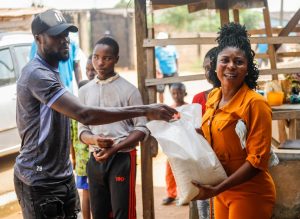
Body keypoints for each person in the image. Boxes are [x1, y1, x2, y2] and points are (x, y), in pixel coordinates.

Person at [14, 9, 176, 219]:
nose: (64, 40)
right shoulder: (38, 74)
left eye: (66, 34)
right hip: (39, 179)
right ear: (38, 39)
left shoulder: (53, 73)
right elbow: (85, 115)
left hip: (62, 176)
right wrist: (146, 110)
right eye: (56, 35)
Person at [192, 23, 276, 219]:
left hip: (250, 192)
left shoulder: (255, 104)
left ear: (247, 69)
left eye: (238, 62)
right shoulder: (213, 97)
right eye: (225, 60)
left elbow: (257, 162)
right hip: (221, 189)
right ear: (215, 65)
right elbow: (213, 138)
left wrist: (217, 188)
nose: (231, 66)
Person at [78, 36, 150, 219]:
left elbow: (142, 129)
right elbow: (82, 130)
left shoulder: (129, 90)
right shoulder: (84, 91)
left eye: (107, 58)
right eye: (96, 57)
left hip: (122, 157)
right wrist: (94, 140)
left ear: (116, 59)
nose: (100, 63)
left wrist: (115, 148)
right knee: (99, 213)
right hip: (95, 157)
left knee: (122, 213)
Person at [192, 47, 218, 219]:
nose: (206, 73)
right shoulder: (198, 99)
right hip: (204, 162)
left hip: (227, 162)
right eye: (204, 68)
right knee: (205, 211)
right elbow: (193, 132)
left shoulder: (238, 98)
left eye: (209, 67)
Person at [70, 55, 96, 219]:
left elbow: (71, 139)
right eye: (87, 70)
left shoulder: (73, 111)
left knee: (86, 193)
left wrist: (73, 158)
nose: (90, 73)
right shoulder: (89, 108)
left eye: (91, 69)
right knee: (93, 193)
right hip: (92, 160)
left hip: (80, 163)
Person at [162, 83, 188, 206]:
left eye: (179, 92)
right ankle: (171, 194)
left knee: (186, 171)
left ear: (185, 93)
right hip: (173, 146)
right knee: (170, 171)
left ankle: (185, 195)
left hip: (186, 146)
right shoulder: (168, 110)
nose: (176, 95)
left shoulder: (189, 108)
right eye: (173, 93)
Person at [155, 32, 179, 103]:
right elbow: (154, 60)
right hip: (162, 74)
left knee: (175, 90)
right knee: (161, 91)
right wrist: (157, 70)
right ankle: (162, 105)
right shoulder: (157, 50)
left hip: (172, 72)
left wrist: (177, 70)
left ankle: (176, 105)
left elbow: (176, 59)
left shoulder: (172, 48)